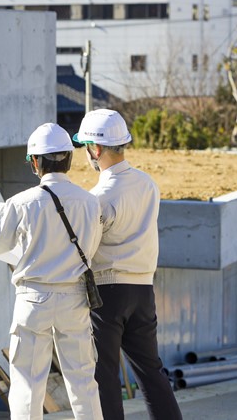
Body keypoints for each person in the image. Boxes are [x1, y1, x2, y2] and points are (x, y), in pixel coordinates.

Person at [0, 123, 104, 420]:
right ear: (68, 159)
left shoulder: (22, 203)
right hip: (75, 299)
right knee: (83, 381)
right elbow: (92, 247)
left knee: (27, 384)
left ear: (36, 162)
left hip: (34, 300)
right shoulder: (90, 202)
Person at [73, 109, 182, 420]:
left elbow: (86, 247)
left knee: (104, 373)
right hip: (143, 288)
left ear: (95, 149)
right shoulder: (148, 184)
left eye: (85, 148)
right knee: (150, 371)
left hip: (109, 291)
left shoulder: (100, 196)